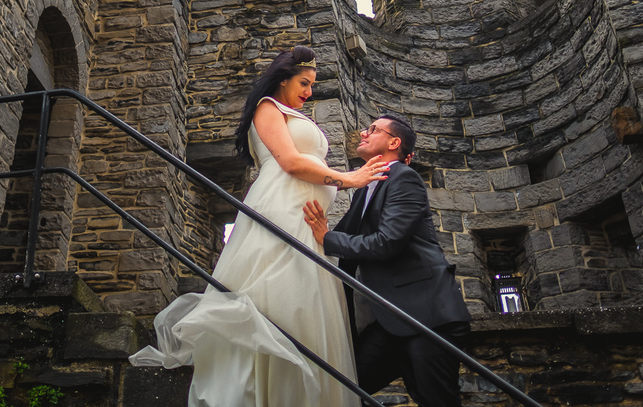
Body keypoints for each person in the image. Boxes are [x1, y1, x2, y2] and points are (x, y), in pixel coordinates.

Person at [131, 45, 387, 406]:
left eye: (312, 85)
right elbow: (290, 162)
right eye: (304, 83)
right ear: (282, 79)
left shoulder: (292, 113)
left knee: (307, 301)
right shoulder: (267, 108)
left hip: (306, 219)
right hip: (280, 209)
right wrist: (351, 178)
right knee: (277, 294)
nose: (309, 92)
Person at [304, 114, 472, 407]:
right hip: (387, 321)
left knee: (437, 401)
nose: (363, 133)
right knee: (343, 392)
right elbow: (336, 238)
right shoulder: (365, 189)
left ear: (394, 143)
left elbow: (387, 243)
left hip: (425, 318)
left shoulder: (404, 178)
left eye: (372, 129)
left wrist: (327, 238)